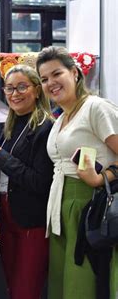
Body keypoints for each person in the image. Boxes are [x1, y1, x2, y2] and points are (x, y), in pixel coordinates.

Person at [36, 46, 118, 299]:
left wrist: (103, 177)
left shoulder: (95, 107)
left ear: (74, 73)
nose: (50, 83)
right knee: (62, 284)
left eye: (56, 74)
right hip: (60, 210)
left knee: (82, 284)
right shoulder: (61, 117)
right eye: (44, 79)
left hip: (89, 205)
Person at [0, 65, 54, 298]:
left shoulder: (45, 127)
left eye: (22, 87)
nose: (14, 93)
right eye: (9, 88)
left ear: (37, 90)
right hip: (8, 215)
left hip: (31, 220)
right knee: (11, 285)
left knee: (24, 290)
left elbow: (40, 181)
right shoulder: (12, 124)